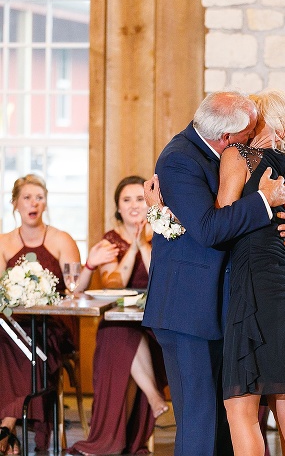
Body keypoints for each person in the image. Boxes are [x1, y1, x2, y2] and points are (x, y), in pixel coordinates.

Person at [142, 91, 285, 456]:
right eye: (248, 131)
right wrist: (263, 200)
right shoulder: (179, 160)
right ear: (226, 137)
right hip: (189, 310)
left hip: (231, 305)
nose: (254, 136)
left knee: (227, 420)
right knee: (200, 423)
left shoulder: (242, 154)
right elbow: (209, 228)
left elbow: (272, 208)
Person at [217, 89, 285, 456]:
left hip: (254, 284)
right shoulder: (282, 163)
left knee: (240, 407)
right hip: (284, 284)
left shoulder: (238, 154)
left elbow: (223, 219)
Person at [0, 174, 115, 454]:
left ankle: (5, 428)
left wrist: (88, 266)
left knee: (31, 344)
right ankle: (7, 430)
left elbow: (76, 289)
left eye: (39, 198)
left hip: (52, 326)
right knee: (5, 339)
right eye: (27, 197)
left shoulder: (61, 238)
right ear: (15, 203)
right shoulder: (3, 242)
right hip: (14, 324)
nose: (34, 203)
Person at [70, 176, 168, 455]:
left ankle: (116, 438)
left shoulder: (162, 232)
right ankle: (152, 397)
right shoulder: (111, 240)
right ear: (118, 207)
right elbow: (114, 283)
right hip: (118, 321)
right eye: (127, 200)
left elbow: (158, 278)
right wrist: (132, 248)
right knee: (118, 333)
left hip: (154, 325)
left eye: (140, 198)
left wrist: (143, 245)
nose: (134, 205)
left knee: (123, 337)